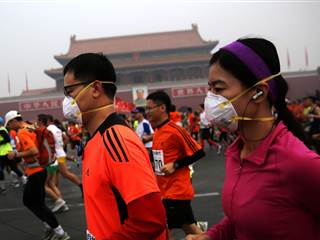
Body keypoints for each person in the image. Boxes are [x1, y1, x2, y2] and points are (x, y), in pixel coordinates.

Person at [185, 38, 320, 240]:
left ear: (258, 93)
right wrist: (211, 236)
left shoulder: (299, 163)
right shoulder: (236, 153)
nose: (210, 99)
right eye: (210, 89)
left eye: (219, 89)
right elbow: (240, 219)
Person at [62, 53, 166, 240]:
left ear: (95, 88)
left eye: (69, 92)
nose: (66, 101)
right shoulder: (96, 139)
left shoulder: (117, 140)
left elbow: (150, 220)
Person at [146, 91, 205, 240]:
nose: (147, 112)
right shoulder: (158, 131)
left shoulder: (176, 130)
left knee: (163, 231)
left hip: (176, 192)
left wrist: (176, 164)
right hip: (164, 190)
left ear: (162, 108)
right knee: (191, 229)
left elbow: (199, 153)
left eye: (149, 108)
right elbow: (159, 156)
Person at [5, 111, 70, 240]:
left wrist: (16, 155)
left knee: (33, 202)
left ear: (13, 121)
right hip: (40, 169)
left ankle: (60, 232)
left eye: (8, 124)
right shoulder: (30, 126)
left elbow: (33, 151)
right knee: (35, 202)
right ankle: (50, 228)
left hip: (36, 171)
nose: (8, 127)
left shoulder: (22, 132)